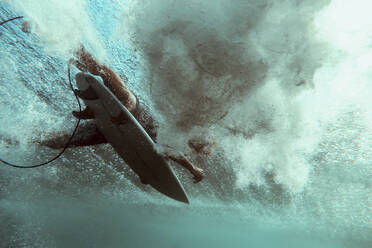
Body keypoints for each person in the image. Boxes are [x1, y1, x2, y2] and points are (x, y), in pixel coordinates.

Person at [41, 46, 211, 183]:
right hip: (132, 111)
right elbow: (170, 151)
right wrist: (192, 169)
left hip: (110, 130)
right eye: (199, 146)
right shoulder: (178, 133)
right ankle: (65, 40)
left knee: (58, 142)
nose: (195, 148)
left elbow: (159, 155)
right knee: (107, 77)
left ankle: (22, 139)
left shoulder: (177, 144)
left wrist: (147, 173)